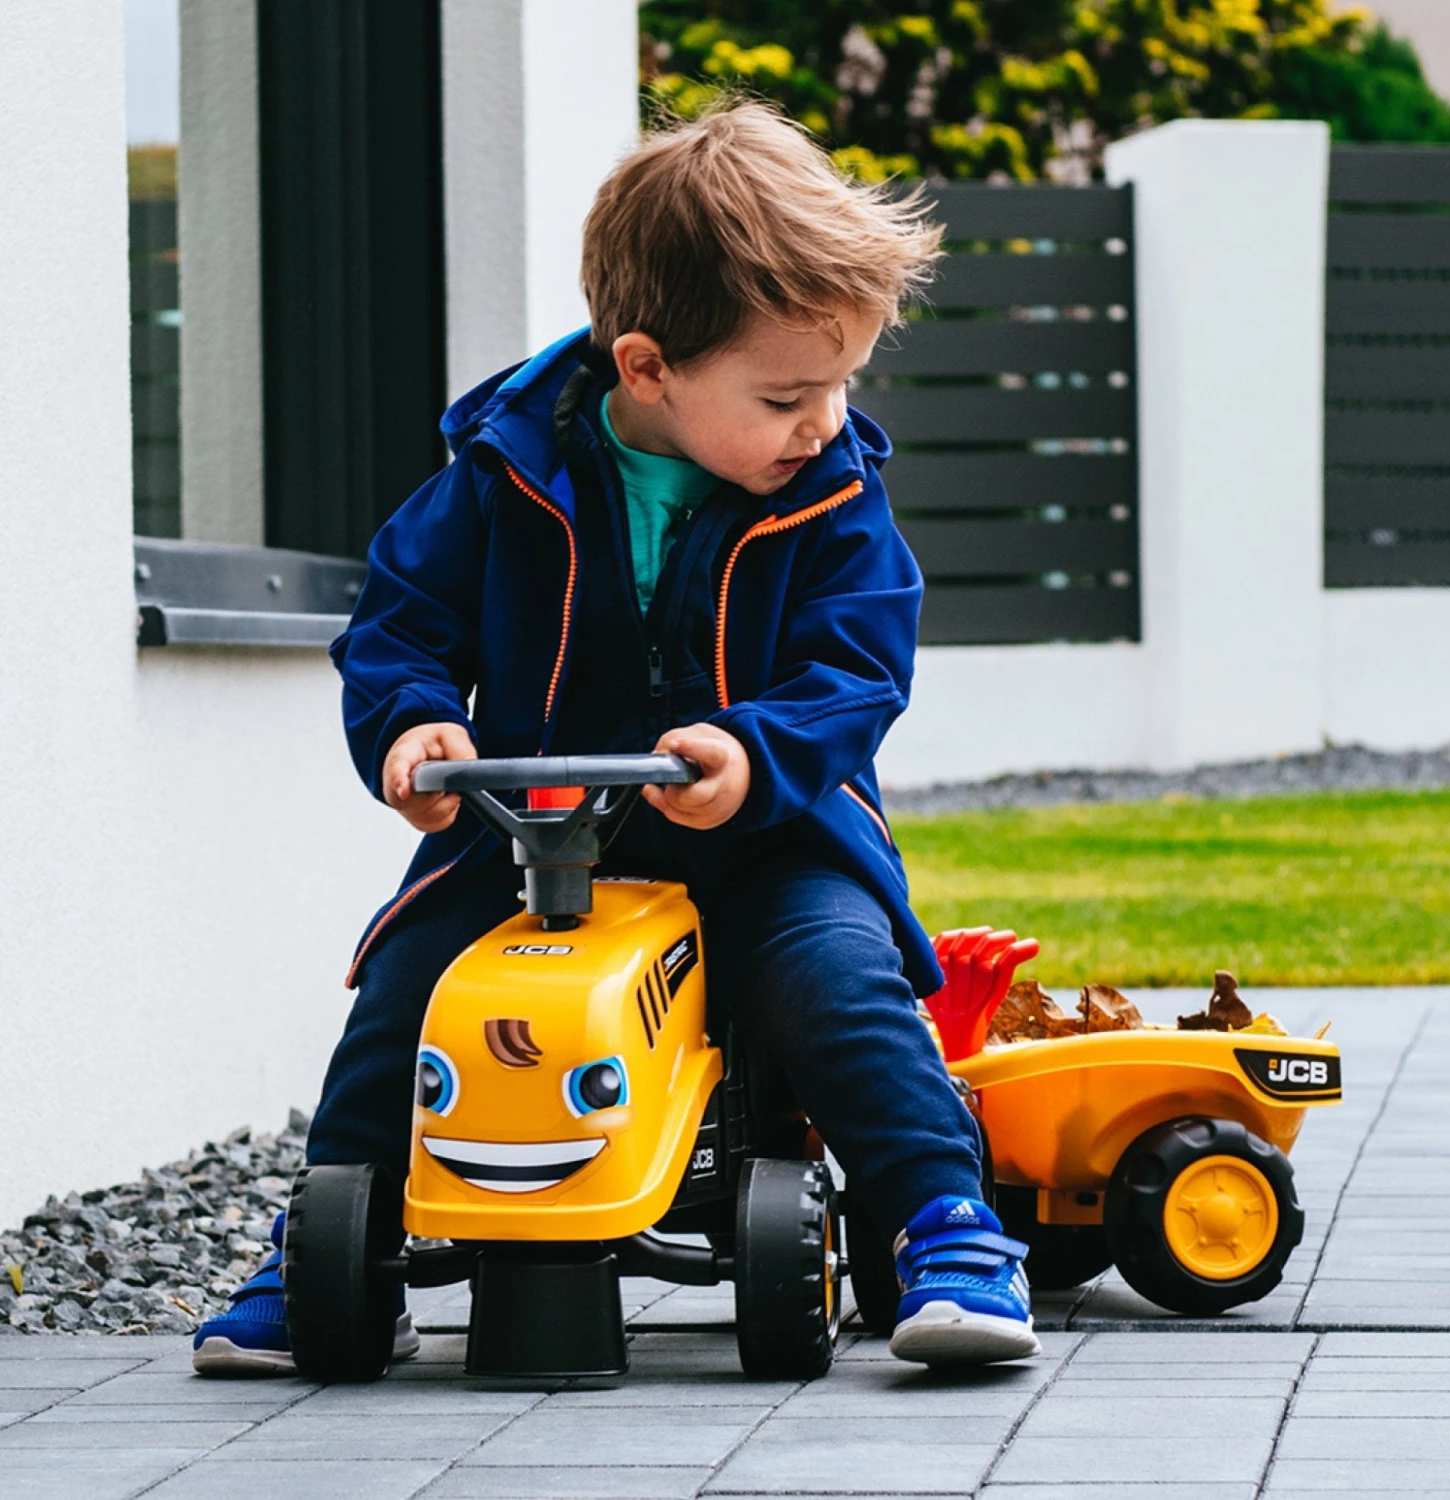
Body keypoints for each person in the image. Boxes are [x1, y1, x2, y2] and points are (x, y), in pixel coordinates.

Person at [192, 101, 1038, 1375]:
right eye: (787, 395)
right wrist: (413, 723)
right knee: (412, 984)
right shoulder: (503, 471)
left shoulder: (832, 494)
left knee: (839, 982)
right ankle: (323, 1242)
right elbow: (400, 620)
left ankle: (945, 1222)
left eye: (841, 384)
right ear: (646, 368)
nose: (824, 421)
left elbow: (861, 664)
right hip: (530, 839)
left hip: (767, 835)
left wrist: (756, 752)